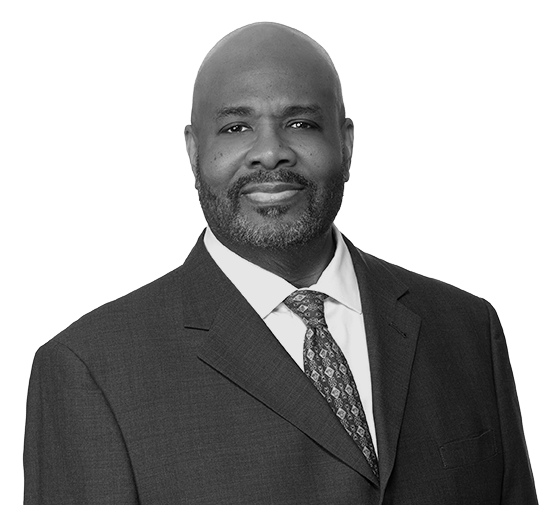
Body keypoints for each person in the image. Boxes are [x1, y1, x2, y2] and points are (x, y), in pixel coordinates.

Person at [24, 22, 538, 504]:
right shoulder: (89, 371)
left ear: (346, 144)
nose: (270, 153)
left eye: (301, 123)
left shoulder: (468, 330)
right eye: (235, 127)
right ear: (193, 152)